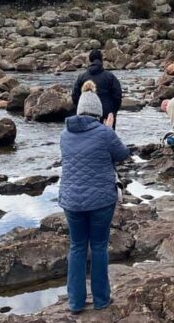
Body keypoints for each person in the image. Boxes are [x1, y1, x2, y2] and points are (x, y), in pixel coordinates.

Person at [59, 81, 130, 314]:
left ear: (79, 110)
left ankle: (75, 303)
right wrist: (110, 129)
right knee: (98, 247)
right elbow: (123, 154)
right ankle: (101, 300)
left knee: (77, 247)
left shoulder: (64, 134)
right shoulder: (104, 132)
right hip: (100, 199)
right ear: (99, 113)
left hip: (71, 200)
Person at [71, 49, 123, 129]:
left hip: (86, 114)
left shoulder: (81, 77)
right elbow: (117, 96)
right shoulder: (110, 77)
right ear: (101, 60)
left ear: (90, 60)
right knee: (108, 139)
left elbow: (75, 96)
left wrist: (80, 109)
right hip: (107, 113)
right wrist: (113, 111)